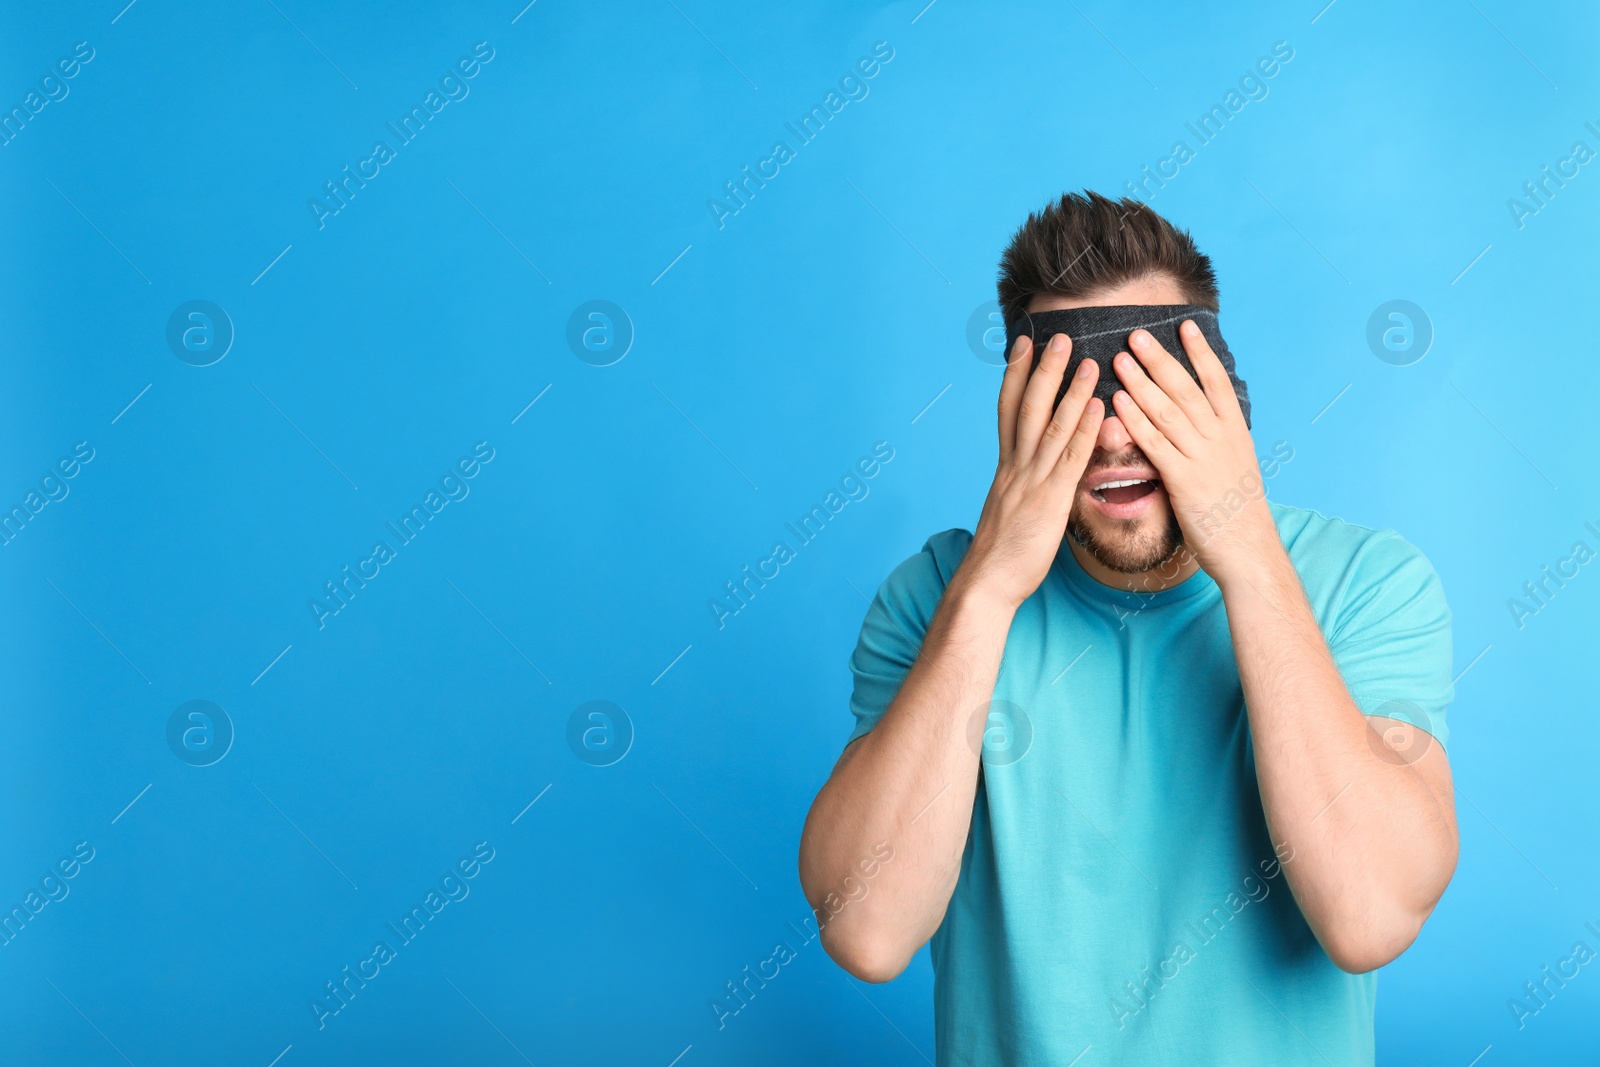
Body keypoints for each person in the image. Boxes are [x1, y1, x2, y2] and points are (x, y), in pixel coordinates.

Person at [797, 191, 1458, 1065]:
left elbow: (1369, 913)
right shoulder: (934, 599)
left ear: (1225, 397)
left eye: (1154, 391)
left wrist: (1248, 552)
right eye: (1071, 397)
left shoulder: (1365, 584)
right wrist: (991, 582)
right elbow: (867, 932)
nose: (1112, 435)